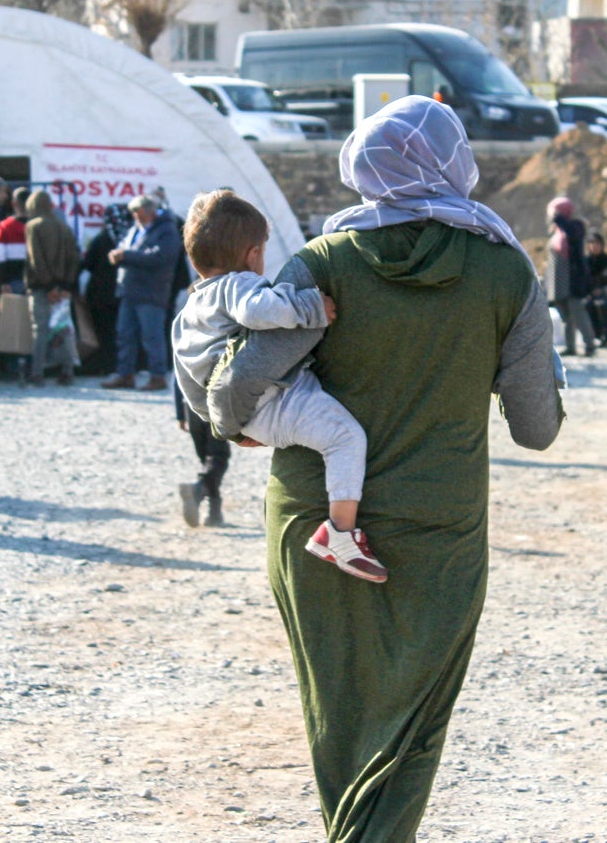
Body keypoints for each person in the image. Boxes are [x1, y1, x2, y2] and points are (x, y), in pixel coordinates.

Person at [202, 95, 561, 840]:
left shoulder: (324, 262)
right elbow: (537, 428)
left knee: (338, 713)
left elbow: (233, 389)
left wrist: (239, 429)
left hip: (315, 526)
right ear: (454, 161)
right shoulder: (505, 272)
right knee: (410, 727)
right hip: (440, 531)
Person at [173, 190, 386, 579]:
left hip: (246, 413)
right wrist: (310, 308)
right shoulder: (236, 285)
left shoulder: (188, 312)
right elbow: (258, 310)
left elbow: (188, 383)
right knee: (346, 438)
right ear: (253, 254)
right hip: (275, 400)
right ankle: (340, 534)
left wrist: (228, 429)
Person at [100, 194, 181, 392]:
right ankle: (125, 373)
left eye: (137, 212)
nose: (134, 216)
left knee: (151, 337)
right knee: (125, 334)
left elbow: (161, 257)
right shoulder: (136, 228)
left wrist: (125, 256)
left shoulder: (167, 230)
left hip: (151, 293)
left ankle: (158, 375)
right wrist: (119, 253)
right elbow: (127, 247)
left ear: (149, 211)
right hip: (130, 291)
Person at [24, 190, 81, 386]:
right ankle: (67, 371)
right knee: (63, 329)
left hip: (42, 287)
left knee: (40, 330)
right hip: (63, 287)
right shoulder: (64, 227)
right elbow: (74, 258)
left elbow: (36, 258)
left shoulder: (33, 226)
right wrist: (65, 286)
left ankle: (37, 372)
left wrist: (49, 287)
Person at [78, 203, 128, 376]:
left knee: (101, 331)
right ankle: (115, 364)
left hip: (99, 294)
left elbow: (88, 264)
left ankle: (103, 365)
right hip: (121, 293)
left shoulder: (102, 239)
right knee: (117, 331)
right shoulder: (129, 238)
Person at [174, 379, 231, 528]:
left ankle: (214, 513)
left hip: (190, 404)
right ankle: (198, 489)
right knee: (218, 456)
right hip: (216, 401)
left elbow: (178, 377)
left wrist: (180, 414)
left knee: (206, 459)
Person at [545, 196, 595, 358]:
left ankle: (589, 345)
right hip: (559, 281)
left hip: (573, 280)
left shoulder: (576, 226)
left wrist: (558, 218)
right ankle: (570, 346)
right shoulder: (557, 232)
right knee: (566, 316)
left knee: (578, 313)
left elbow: (572, 235)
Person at [0, 187, 30, 291]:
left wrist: (3, 282)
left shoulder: (4, 226)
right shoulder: (38, 226)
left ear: (13, 204)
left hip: (12, 281)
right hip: (37, 281)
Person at [585, 231, 607, 348]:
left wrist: (606, 289)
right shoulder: (585, 262)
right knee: (587, 305)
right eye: (592, 243)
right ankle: (596, 335)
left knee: (606, 304)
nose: (595, 246)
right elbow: (583, 280)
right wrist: (590, 290)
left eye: (597, 243)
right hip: (590, 293)